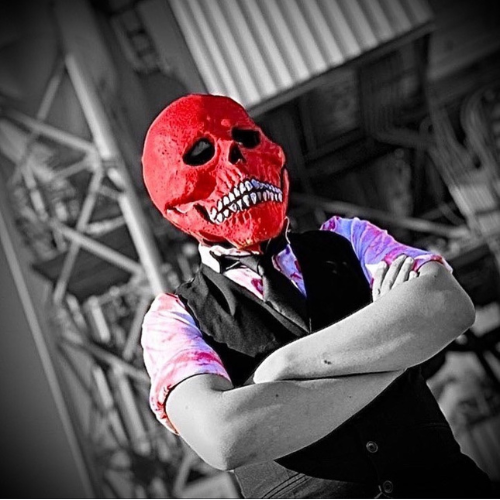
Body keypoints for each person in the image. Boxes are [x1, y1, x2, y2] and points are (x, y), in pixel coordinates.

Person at [141, 94, 492, 498]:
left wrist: (283, 367)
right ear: (173, 205)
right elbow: (225, 437)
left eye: (246, 139)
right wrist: (400, 352)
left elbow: (446, 305)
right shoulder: (174, 318)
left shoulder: (348, 239)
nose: (235, 157)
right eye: (201, 155)